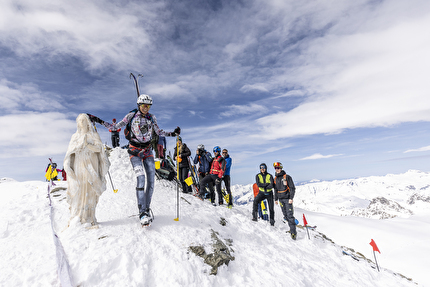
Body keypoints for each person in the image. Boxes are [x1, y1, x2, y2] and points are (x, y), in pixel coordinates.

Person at [87, 94, 180, 226]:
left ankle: (147, 209)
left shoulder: (151, 118)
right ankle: (142, 212)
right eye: (143, 105)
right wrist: (98, 120)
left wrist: (173, 133)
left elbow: (158, 132)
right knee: (141, 178)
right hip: (134, 152)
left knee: (152, 181)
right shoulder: (131, 116)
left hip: (148, 152)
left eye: (148, 106)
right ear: (139, 105)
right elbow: (115, 127)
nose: (146, 108)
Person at [64, 113, 110, 226]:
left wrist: (88, 146)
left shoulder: (93, 135)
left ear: (88, 122)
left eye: (83, 120)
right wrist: (68, 165)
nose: (81, 123)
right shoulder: (74, 137)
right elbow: (69, 152)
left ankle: (89, 217)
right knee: (80, 189)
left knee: (90, 189)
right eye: (79, 121)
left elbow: (100, 149)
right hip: (79, 164)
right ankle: (78, 216)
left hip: (91, 164)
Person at [273, 162, 297, 240]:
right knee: (285, 216)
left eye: (278, 168)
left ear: (281, 168)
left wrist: (291, 198)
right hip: (280, 199)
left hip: (287, 199)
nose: (277, 169)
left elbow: (292, 188)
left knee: (290, 216)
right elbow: (275, 189)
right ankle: (291, 228)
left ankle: (293, 233)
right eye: (275, 168)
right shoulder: (275, 179)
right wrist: (276, 199)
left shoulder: (287, 177)